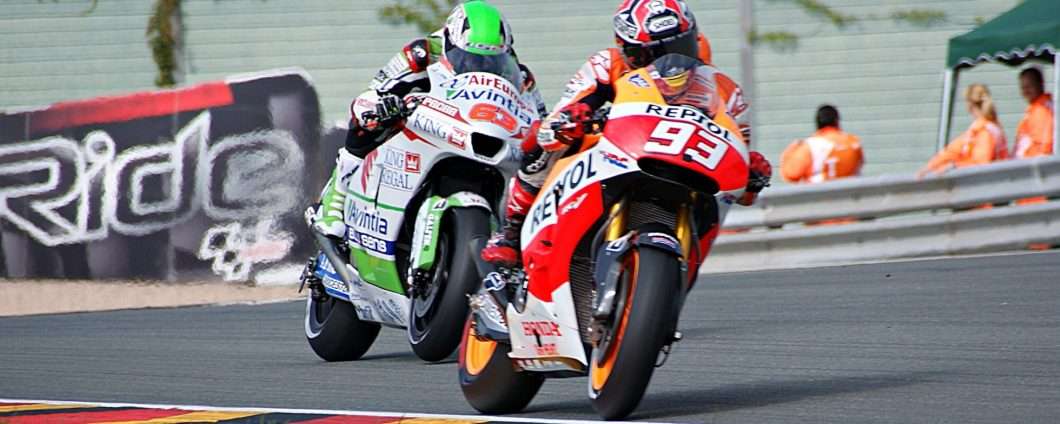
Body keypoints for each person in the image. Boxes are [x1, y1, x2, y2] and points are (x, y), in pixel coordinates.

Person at [480, 0, 773, 266]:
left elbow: (742, 185)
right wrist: (573, 117)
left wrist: (751, 171)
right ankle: (512, 231)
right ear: (626, 49)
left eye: (679, 48)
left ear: (694, 40)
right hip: (619, 149)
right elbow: (557, 120)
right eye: (650, 54)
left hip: (686, 167)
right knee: (546, 142)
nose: (669, 63)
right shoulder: (607, 64)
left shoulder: (726, 91)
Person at [311, 0, 547, 239]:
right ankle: (335, 200)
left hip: (481, 129)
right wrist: (387, 104)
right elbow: (375, 91)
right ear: (450, 42)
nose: (480, 64)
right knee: (368, 117)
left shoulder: (519, 73)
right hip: (427, 117)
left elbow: (540, 115)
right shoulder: (422, 52)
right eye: (468, 56)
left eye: (492, 60)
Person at [919, 84, 1007, 178]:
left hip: (991, 181)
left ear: (969, 105)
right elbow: (953, 151)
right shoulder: (979, 129)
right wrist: (932, 166)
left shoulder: (985, 131)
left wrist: (955, 166)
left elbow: (981, 164)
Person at [780, 105, 864, 184]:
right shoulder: (853, 142)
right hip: (850, 193)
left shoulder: (810, 146)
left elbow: (791, 175)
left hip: (820, 193)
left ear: (817, 123)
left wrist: (790, 151)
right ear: (837, 122)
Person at [1014, 67, 1054, 159]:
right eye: (1023, 88)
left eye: (1029, 86)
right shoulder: (1037, 108)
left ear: (1040, 84)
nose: (1025, 91)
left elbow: (1043, 146)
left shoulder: (1041, 110)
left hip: (1033, 164)